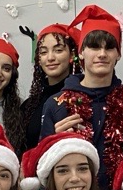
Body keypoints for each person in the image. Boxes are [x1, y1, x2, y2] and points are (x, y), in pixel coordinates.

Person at [41, 5, 123, 190]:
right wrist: (54, 141)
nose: (102, 54)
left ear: (118, 54)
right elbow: (42, 163)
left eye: (109, 47)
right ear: (81, 52)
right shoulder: (57, 102)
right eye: (94, 47)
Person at [20, 23, 80, 152]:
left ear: (72, 55)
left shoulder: (82, 98)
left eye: (58, 50)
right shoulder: (28, 106)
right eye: (43, 52)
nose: (50, 58)